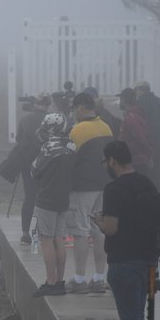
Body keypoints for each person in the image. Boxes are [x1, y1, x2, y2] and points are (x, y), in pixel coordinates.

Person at [91, 140, 159, 320]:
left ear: (111, 161)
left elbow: (112, 228)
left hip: (124, 264)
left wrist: (98, 224)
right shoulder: (146, 182)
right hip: (149, 262)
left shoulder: (114, 189)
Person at [66, 92, 113, 293]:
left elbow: (68, 159)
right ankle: (100, 277)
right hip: (104, 184)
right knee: (99, 231)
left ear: (79, 108)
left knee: (80, 232)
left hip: (83, 187)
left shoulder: (77, 130)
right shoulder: (106, 126)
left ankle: (79, 279)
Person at [30, 113, 76, 297]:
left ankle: (50, 282)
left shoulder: (49, 147)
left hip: (47, 198)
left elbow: (34, 171)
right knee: (59, 240)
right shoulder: (71, 146)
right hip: (63, 198)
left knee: (47, 241)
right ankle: (60, 281)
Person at [16, 92, 51, 245]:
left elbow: (19, 138)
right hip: (47, 162)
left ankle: (25, 233)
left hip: (28, 162)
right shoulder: (52, 119)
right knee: (45, 197)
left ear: (35, 103)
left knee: (29, 197)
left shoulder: (25, 119)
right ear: (48, 104)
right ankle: (40, 231)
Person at [135, 81, 160, 191]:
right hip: (159, 138)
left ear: (139, 90)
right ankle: (159, 188)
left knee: (146, 166)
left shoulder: (139, 103)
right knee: (158, 164)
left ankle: (149, 190)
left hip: (146, 138)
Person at [117, 88, 153, 177]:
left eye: (120, 99)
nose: (119, 102)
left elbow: (141, 137)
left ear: (124, 100)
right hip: (136, 160)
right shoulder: (134, 115)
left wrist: (149, 155)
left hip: (135, 162)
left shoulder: (131, 118)